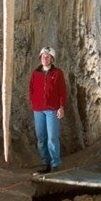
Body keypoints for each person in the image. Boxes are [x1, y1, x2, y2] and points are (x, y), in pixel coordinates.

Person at [29, 46, 67, 174]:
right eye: (43, 56)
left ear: (52, 59)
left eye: (48, 56)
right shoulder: (36, 73)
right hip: (38, 109)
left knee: (52, 137)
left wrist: (61, 106)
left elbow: (62, 91)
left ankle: (55, 164)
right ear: (40, 58)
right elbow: (31, 89)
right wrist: (34, 102)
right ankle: (45, 163)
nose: (45, 58)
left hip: (52, 109)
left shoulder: (57, 73)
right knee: (41, 138)